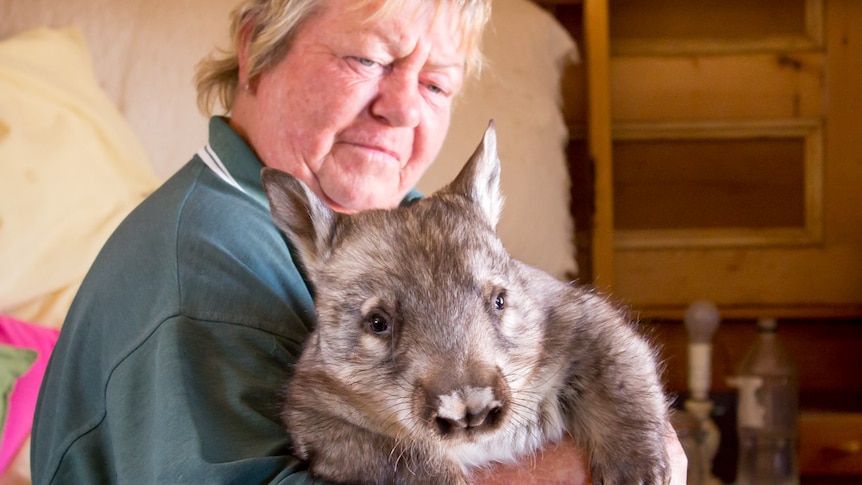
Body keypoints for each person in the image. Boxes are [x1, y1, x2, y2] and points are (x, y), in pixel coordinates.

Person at [32, 0, 686, 483]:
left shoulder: (396, 227)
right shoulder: (207, 272)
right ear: (257, 43)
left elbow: (574, 335)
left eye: (436, 84)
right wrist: (572, 468)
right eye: (368, 59)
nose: (403, 108)